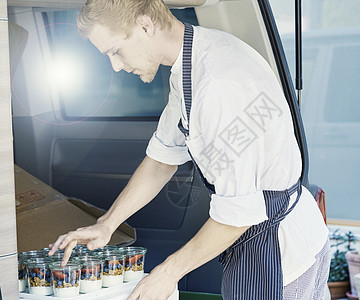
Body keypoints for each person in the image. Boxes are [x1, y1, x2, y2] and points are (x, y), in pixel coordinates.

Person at [48, 0, 331, 299]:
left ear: (145, 25)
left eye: (115, 51)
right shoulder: (191, 62)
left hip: (283, 258)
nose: (116, 66)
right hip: (274, 241)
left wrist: (167, 273)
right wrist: (107, 224)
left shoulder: (218, 85)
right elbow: (161, 160)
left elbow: (238, 214)